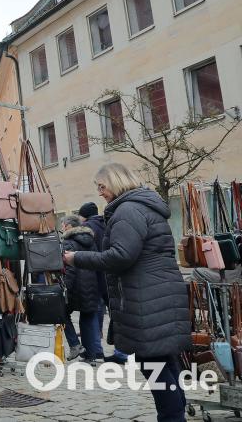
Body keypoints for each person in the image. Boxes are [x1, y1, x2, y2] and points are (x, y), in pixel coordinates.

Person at [65, 163, 190, 422]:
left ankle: (172, 417)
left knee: (153, 363)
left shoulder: (128, 210)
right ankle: (175, 415)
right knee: (164, 360)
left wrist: (76, 258)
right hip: (158, 292)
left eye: (102, 186)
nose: (100, 192)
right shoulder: (143, 206)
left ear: (116, 182)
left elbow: (121, 255)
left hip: (147, 296)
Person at [79, 202, 129, 364]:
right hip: (113, 274)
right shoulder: (108, 223)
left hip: (95, 276)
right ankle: (121, 352)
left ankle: (96, 350)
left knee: (93, 314)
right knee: (117, 314)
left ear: (84, 215)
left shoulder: (86, 228)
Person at [60, 214, 103, 363]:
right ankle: (90, 356)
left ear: (69, 226)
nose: (62, 228)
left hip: (75, 286)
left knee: (61, 313)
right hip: (91, 284)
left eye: (63, 225)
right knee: (88, 319)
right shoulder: (90, 240)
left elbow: (70, 268)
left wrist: (65, 288)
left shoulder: (68, 242)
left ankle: (74, 344)